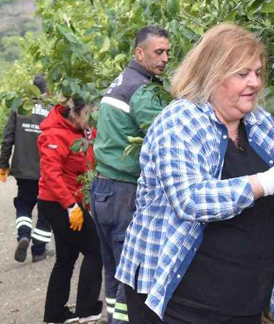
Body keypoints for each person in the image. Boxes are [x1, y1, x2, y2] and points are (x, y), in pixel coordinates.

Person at [115, 24, 274, 324]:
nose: (254, 83)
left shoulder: (261, 124)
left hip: (242, 301)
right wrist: (264, 182)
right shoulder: (180, 121)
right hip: (178, 300)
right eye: (242, 74)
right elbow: (189, 200)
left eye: (258, 73)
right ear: (213, 74)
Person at [91, 25, 171, 323]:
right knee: (132, 278)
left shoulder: (121, 81)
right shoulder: (144, 90)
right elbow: (164, 140)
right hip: (126, 192)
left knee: (113, 271)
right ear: (140, 53)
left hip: (102, 190)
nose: (165, 58)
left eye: (167, 52)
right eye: (158, 52)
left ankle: (114, 318)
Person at [37, 96, 103, 324]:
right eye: (87, 114)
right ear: (74, 113)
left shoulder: (82, 131)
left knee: (66, 258)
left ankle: (54, 315)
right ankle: (87, 310)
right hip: (58, 204)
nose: (90, 118)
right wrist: (71, 206)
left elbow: (91, 152)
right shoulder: (54, 134)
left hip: (71, 203)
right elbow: (51, 175)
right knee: (96, 249)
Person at [0, 74, 54, 263]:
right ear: (48, 91)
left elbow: (7, 137)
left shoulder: (19, 107)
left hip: (23, 169)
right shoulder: (53, 108)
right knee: (47, 209)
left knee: (24, 203)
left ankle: (23, 235)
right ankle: (38, 250)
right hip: (47, 170)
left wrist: (3, 164)